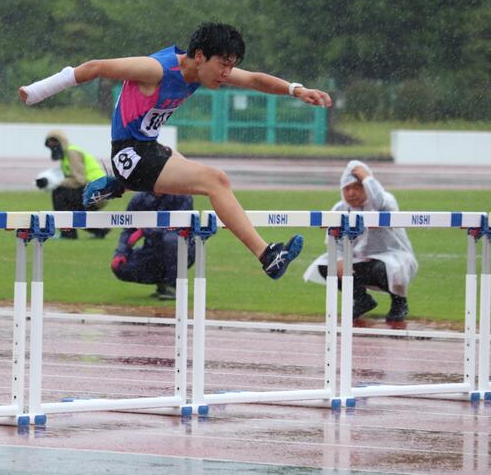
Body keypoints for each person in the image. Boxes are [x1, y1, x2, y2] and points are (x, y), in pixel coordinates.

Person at [19, 22, 331, 280]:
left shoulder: (203, 70)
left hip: (149, 149)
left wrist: (296, 90)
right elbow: (96, 67)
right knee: (216, 180)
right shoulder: (155, 70)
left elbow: (254, 79)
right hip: (131, 154)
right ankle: (267, 256)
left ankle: (118, 184)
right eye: (223, 65)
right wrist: (38, 91)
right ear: (200, 56)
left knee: (181, 162)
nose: (227, 73)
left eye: (231, 66)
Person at [303, 160, 417, 323]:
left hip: (393, 257)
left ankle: (399, 303)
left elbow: (379, 201)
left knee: (383, 268)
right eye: (347, 188)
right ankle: (361, 299)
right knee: (327, 266)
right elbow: (334, 241)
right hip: (360, 260)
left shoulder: (385, 202)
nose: (351, 193)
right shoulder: (340, 208)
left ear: (367, 186)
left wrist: (367, 178)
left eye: (357, 187)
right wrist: (339, 260)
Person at [110, 192, 195, 300]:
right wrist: (121, 253)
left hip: (184, 250)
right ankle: (162, 281)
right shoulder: (139, 199)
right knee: (121, 267)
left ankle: (172, 285)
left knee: (171, 240)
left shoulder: (182, 196)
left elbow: (178, 228)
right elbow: (128, 230)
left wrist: (145, 231)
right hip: (152, 250)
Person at [36, 129, 109, 239]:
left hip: (96, 192)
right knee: (71, 206)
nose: (53, 148)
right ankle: (99, 229)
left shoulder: (72, 153)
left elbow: (79, 180)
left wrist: (55, 183)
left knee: (59, 194)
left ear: (61, 142)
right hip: (97, 191)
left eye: (54, 143)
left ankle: (67, 233)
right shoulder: (67, 155)